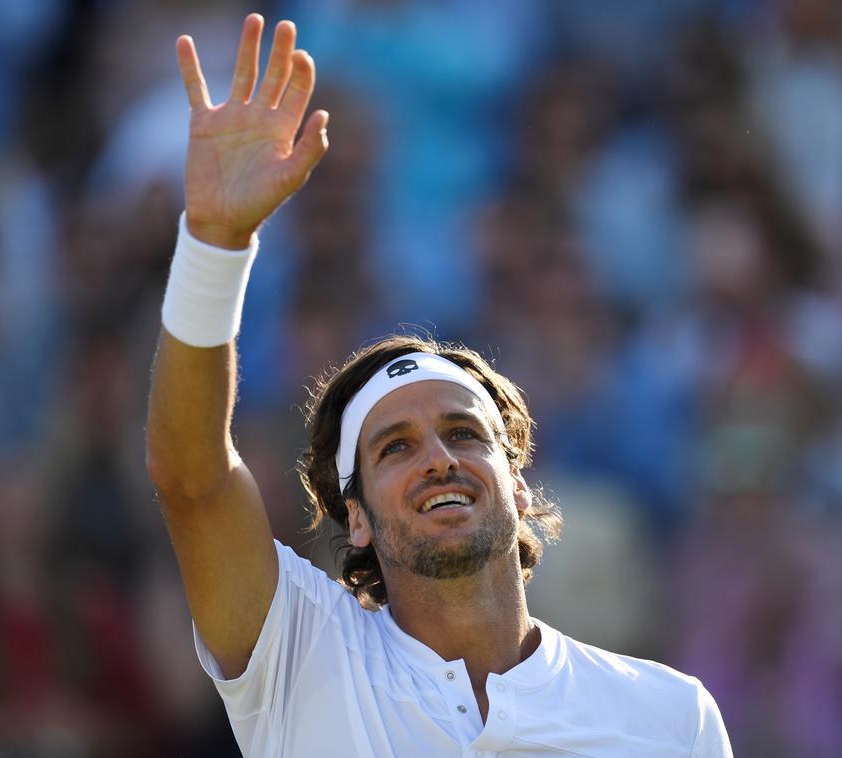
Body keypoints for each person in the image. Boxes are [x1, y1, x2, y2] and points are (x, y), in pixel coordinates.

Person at [146, 13, 732, 757]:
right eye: (394, 448)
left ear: (518, 485)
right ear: (354, 520)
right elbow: (191, 480)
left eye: (464, 433)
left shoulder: (670, 717)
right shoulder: (301, 657)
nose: (438, 458)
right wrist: (215, 245)